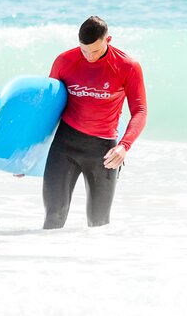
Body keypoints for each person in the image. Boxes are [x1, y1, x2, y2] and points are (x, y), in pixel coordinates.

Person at [42, 16, 147, 229]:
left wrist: (124, 146)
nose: (89, 57)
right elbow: (47, 109)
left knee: (99, 225)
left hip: (103, 152)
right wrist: (25, 154)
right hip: (65, 146)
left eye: (96, 51)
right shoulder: (64, 61)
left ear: (108, 39)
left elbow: (140, 111)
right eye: (84, 51)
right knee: (54, 217)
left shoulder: (127, 66)